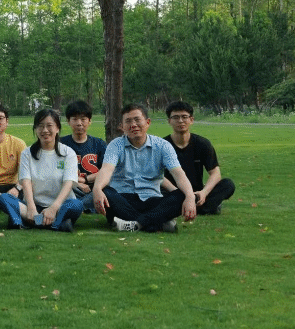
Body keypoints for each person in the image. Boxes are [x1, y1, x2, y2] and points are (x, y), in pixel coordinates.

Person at [92, 104, 197, 233]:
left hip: (152, 199)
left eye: (137, 120)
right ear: (122, 126)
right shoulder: (115, 145)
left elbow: (178, 174)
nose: (133, 125)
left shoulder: (163, 146)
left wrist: (190, 197)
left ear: (147, 122)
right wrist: (97, 189)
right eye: (128, 121)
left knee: (184, 194)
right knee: (106, 192)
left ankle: (135, 224)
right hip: (123, 199)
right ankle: (157, 222)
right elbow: (106, 170)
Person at [0, 109, 83, 232]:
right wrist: (31, 208)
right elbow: (26, 182)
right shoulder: (27, 153)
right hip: (34, 206)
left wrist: (53, 208)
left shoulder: (68, 153)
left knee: (76, 205)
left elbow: (68, 183)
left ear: (57, 128)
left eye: (49, 126)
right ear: (35, 129)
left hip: (60, 206)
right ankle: (55, 224)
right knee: (3, 198)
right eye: (40, 126)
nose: (45, 130)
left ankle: (28, 221)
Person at [161, 101, 235, 215]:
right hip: (172, 192)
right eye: (175, 117)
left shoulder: (202, 144)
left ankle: (192, 207)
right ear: (169, 121)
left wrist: (204, 192)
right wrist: (178, 193)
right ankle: (204, 208)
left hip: (197, 193)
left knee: (228, 184)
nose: (180, 121)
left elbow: (215, 173)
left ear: (191, 120)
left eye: (184, 117)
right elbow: (157, 176)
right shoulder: (162, 145)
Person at [60, 100, 108, 213]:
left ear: (89, 121)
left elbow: (106, 171)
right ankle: (84, 206)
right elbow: (57, 171)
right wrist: (76, 182)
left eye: (83, 119)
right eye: (75, 119)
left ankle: (77, 206)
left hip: (93, 188)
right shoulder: (61, 144)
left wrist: (86, 179)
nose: (79, 123)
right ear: (68, 121)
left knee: (108, 189)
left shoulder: (99, 144)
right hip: (70, 187)